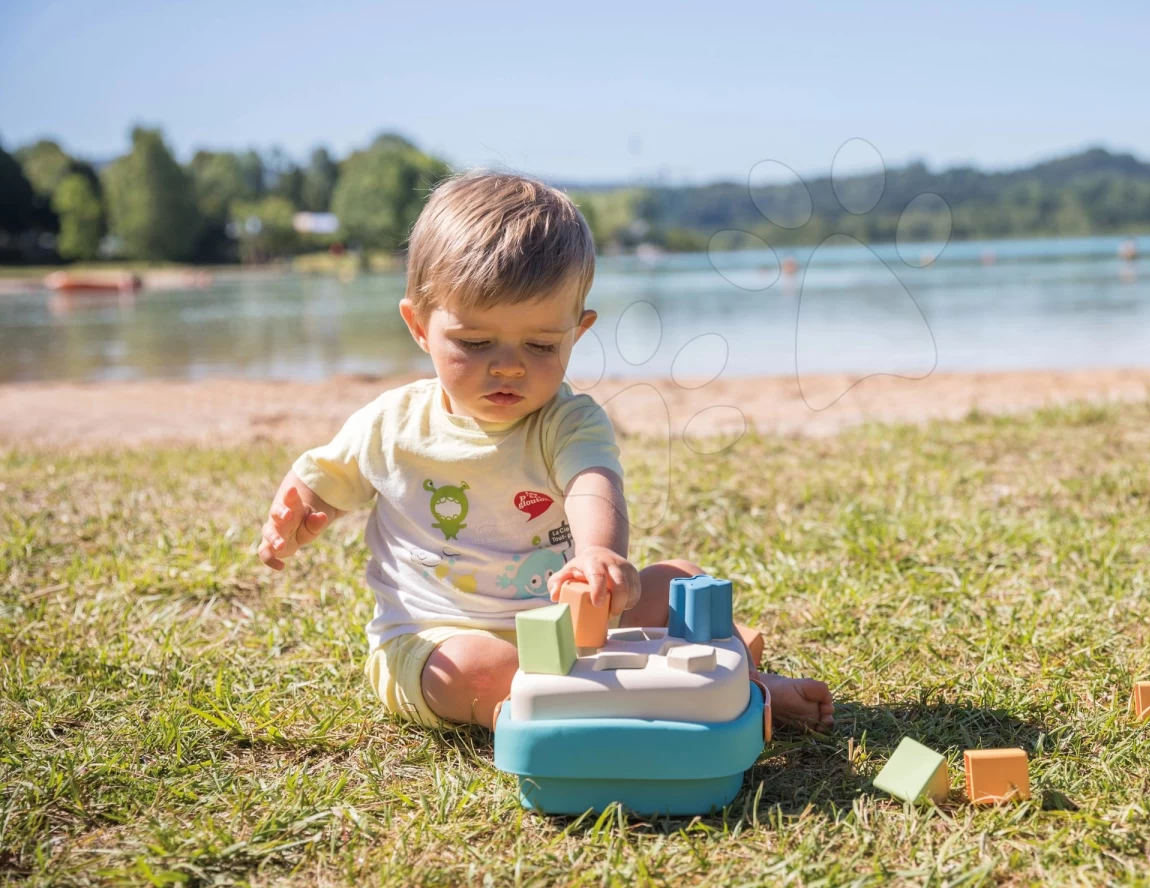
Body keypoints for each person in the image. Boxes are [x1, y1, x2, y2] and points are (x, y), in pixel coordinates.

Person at [255, 170, 833, 732]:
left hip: (572, 624)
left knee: (682, 583)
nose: (508, 364)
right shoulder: (390, 424)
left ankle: (748, 685)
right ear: (419, 326)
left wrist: (599, 557)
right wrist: (295, 516)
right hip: (435, 636)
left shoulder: (567, 420)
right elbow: (318, 479)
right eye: (475, 342)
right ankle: (627, 702)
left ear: (576, 332)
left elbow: (591, 483)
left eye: (539, 344)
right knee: (480, 671)